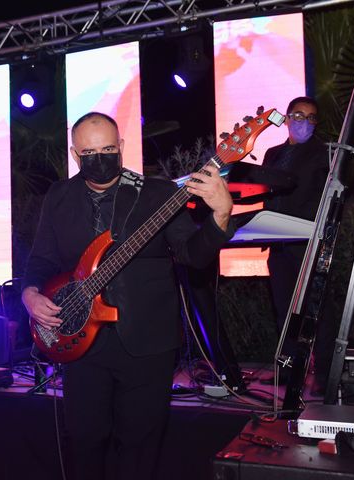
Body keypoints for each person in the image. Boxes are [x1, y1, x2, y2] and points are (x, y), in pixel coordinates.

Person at [22, 112, 234, 480]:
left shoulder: (158, 192)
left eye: (107, 149)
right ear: (75, 154)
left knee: (139, 446)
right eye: (89, 152)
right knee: (84, 441)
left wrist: (221, 215)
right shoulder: (58, 196)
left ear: (121, 147)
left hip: (147, 341)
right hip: (80, 340)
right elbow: (41, 259)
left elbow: (192, 256)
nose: (99, 158)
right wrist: (29, 294)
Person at [260, 96, 330, 387]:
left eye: (311, 118)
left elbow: (322, 196)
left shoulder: (323, 152)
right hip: (278, 242)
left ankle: (326, 375)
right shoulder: (272, 153)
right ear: (287, 118)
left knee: (317, 311)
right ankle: (289, 372)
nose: (304, 122)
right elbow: (263, 193)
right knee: (283, 310)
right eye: (299, 116)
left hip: (308, 241)